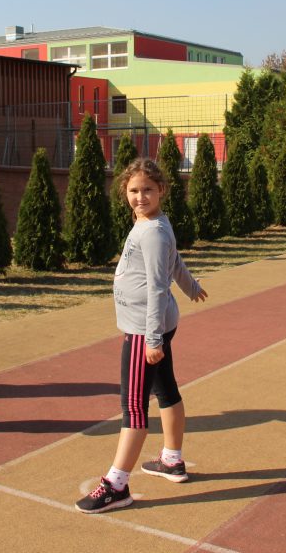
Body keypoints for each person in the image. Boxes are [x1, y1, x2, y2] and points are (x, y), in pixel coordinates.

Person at [76, 158, 208, 514]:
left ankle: (116, 485)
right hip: (155, 326)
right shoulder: (153, 222)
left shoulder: (152, 231)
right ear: (125, 192)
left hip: (143, 330)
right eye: (133, 190)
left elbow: (157, 287)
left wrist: (152, 340)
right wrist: (191, 286)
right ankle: (172, 459)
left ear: (161, 190)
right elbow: (174, 261)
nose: (140, 197)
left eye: (148, 190)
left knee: (133, 406)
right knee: (166, 390)